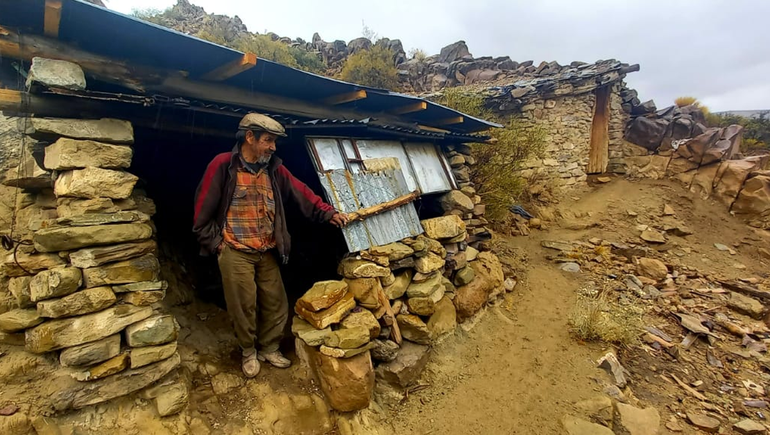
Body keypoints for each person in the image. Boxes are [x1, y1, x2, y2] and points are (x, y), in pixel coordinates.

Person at [193, 113, 349, 378]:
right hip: (235, 251)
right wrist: (218, 245)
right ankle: (248, 352)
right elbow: (202, 212)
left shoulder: (273, 169)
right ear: (249, 138)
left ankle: (269, 348)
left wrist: (327, 212)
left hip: (267, 250)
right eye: (268, 140)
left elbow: (302, 192)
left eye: (274, 141)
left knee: (277, 304)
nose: (273, 147)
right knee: (243, 306)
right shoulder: (223, 165)